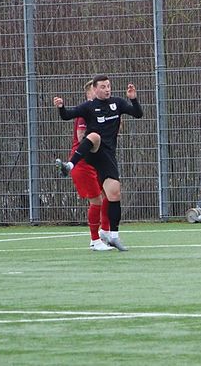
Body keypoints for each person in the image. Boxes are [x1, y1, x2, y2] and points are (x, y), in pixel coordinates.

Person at [54, 75, 143, 251]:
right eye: (103, 87)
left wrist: (133, 99)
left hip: (106, 157)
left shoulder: (117, 103)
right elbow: (67, 116)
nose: (107, 89)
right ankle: (69, 165)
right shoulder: (88, 107)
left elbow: (138, 114)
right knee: (94, 136)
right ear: (94, 90)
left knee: (114, 194)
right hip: (89, 155)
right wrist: (61, 107)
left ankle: (113, 236)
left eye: (108, 86)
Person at [66, 80, 112, 252]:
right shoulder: (85, 114)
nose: (103, 92)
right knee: (96, 200)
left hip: (97, 162)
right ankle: (95, 240)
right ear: (89, 94)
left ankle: (105, 232)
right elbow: (81, 138)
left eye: (106, 88)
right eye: (98, 89)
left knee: (110, 193)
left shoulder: (104, 112)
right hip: (83, 163)